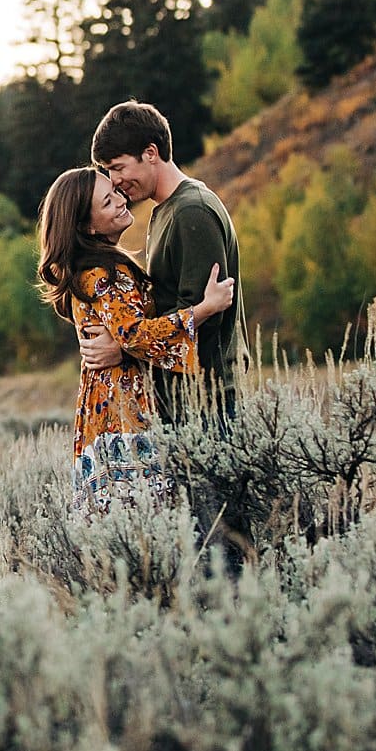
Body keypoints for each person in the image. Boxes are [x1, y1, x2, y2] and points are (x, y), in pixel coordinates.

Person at [37, 166, 235, 513]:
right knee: (143, 510)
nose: (120, 199)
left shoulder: (88, 269)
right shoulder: (106, 273)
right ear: (88, 226)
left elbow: (122, 336)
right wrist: (204, 309)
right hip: (123, 403)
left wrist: (120, 347)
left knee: (121, 512)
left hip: (105, 399)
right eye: (107, 200)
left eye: (116, 192)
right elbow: (135, 335)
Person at [91, 100, 246, 423]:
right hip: (186, 400)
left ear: (150, 153)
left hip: (207, 403)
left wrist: (125, 350)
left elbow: (203, 318)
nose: (114, 180)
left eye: (118, 167)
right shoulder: (167, 211)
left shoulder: (192, 212)